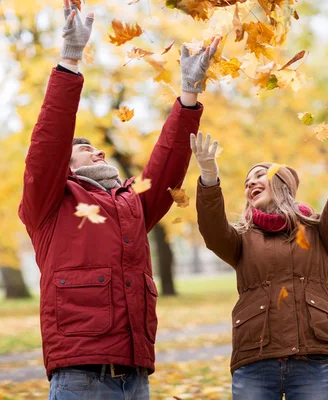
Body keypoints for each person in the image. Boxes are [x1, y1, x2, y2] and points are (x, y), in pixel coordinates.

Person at [18, 1, 219, 398]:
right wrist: (70, 60)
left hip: (134, 373)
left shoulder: (129, 204)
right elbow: (49, 142)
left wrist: (189, 96)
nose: (100, 152)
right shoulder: (50, 203)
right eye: (86, 149)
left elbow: (165, 169)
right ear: (67, 166)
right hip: (81, 374)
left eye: (99, 147)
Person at [190, 86, 328, 400]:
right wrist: (209, 177)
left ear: (281, 183)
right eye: (246, 182)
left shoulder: (317, 230)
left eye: (259, 175)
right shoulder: (241, 239)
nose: (250, 183)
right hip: (256, 359)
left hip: (312, 356)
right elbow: (211, 230)